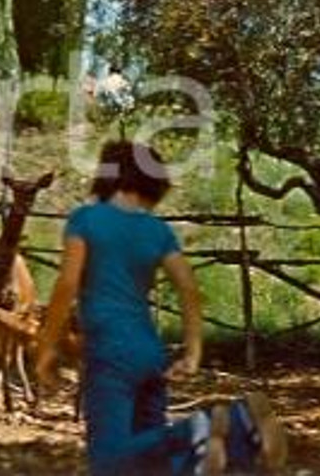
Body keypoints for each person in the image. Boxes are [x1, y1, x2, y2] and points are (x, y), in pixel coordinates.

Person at [35, 141, 287, 475]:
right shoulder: (157, 230)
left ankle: (226, 423)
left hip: (109, 352)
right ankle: (232, 443)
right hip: (150, 353)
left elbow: (66, 285)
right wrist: (193, 351)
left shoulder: (86, 220)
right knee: (150, 463)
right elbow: (188, 287)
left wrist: (45, 347)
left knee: (108, 463)